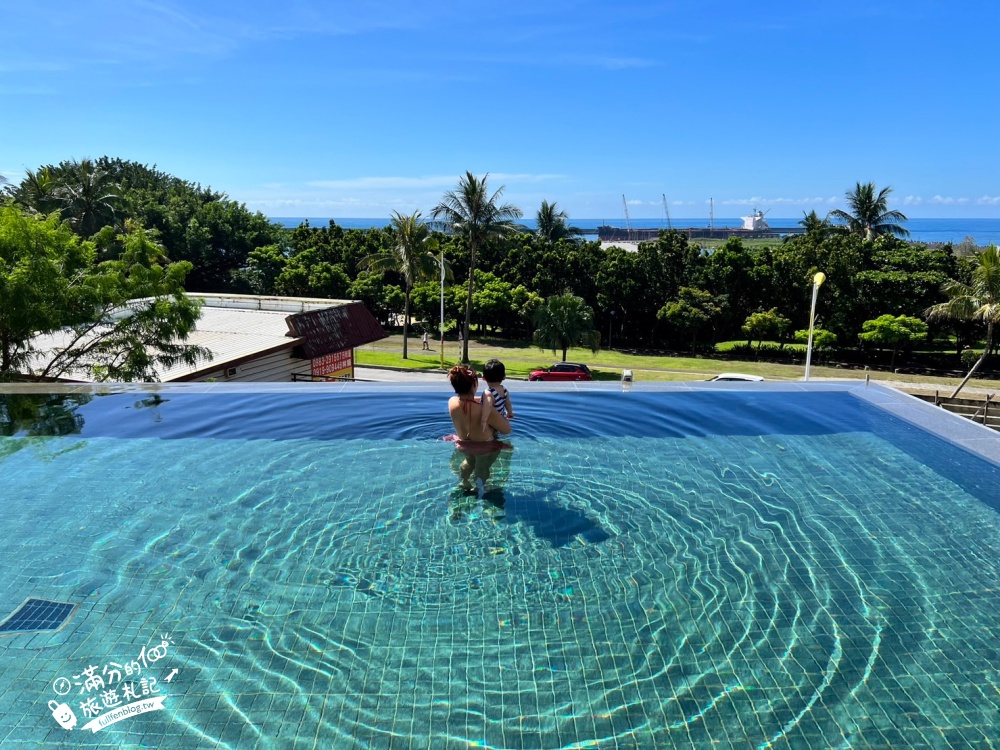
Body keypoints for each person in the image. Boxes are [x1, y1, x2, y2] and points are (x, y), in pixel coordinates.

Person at [447, 365, 511, 491]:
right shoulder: (485, 411)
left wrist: (486, 401)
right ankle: (479, 488)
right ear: (474, 385)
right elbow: (506, 430)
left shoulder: (452, 402)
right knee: (482, 467)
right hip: (485, 446)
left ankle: (464, 482)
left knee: (468, 462)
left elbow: (467, 401)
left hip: (463, 444)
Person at [480, 358, 514, 434]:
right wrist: (510, 413)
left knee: (491, 435)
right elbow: (507, 403)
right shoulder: (504, 390)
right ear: (504, 377)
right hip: (500, 419)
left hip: (491, 421)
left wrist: (483, 421)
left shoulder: (488, 392)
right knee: (496, 436)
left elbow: (488, 406)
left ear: (484, 378)